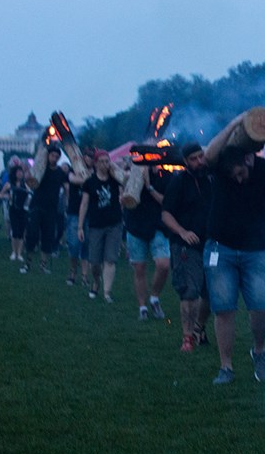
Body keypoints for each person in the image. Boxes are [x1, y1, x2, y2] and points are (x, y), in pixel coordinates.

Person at [203, 114, 265, 385]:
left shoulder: (264, 169)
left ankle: (259, 351)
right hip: (221, 247)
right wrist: (232, 125)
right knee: (224, 309)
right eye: (233, 176)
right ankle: (226, 366)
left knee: (261, 308)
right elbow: (208, 155)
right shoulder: (221, 164)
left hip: (258, 250)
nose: (238, 179)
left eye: (240, 173)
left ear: (249, 160)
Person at [162, 142, 213, 352]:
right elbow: (166, 213)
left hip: (210, 243)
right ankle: (187, 337)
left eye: (201, 156)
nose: (199, 161)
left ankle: (199, 328)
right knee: (190, 291)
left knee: (211, 292)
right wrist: (182, 231)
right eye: (194, 158)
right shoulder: (179, 181)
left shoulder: (210, 179)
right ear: (185, 161)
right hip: (185, 245)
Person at [125, 166, 171, 322]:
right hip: (135, 226)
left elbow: (166, 201)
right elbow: (126, 195)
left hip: (158, 226)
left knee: (163, 264)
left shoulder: (166, 174)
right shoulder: (133, 172)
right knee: (139, 268)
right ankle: (142, 307)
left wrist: (149, 186)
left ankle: (154, 297)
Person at [78, 150, 124, 303]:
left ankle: (107, 292)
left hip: (114, 224)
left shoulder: (115, 180)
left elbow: (124, 189)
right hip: (96, 225)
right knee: (95, 262)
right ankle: (96, 282)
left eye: (107, 161)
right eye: (102, 161)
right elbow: (84, 204)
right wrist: (79, 226)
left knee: (110, 259)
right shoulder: (90, 183)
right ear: (96, 163)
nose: (105, 164)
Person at [24, 143, 69, 274]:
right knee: (32, 234)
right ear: (48, 155)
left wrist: (66, 201)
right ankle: (28, 263)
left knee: (47, 237)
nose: (54, 158)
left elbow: (66, 187)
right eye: (52, 155)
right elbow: (29, 179)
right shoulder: (41, 168)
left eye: (56, 156)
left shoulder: (60, 172)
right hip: (37, 206)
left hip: (51, 208)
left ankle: (43, 265)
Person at [65, 149, 94, 286]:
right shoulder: (73, 170)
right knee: (74, 244)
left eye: (91, 157)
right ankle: (72, 271)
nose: (89, 159)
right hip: (74, 212)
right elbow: (73, 179)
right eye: (87, 157)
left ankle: (84, 275)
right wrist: (89, 179)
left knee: (87, 245)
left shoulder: (95, 172)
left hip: (90, 213)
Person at [0, 164, 32, 263]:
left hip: (23, 210)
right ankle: (14, 252)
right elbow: (0, 195)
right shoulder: (9, 184)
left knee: (21, 231)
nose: (20, 174)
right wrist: (7, 196)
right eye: (18, 172)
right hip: (13, 209)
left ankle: (19, 253)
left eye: (21, 172)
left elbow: (30, 194)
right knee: (15, 230)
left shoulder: (25, 184)